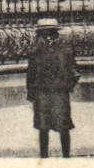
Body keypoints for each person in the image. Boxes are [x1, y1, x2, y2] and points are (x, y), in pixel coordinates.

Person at [26, 17, 78, 158]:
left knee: (63, 126)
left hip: (59, 92)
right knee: (43, 127)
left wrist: (68, 85)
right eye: (45, 33)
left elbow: (73, 70)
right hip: (43, 93)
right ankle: (44, 156)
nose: (48, 36)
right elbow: (31, 73)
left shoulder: (65, 49)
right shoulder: (35, 51)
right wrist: (31, 93)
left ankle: (66, 156)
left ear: (56, 33)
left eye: (50, 32)